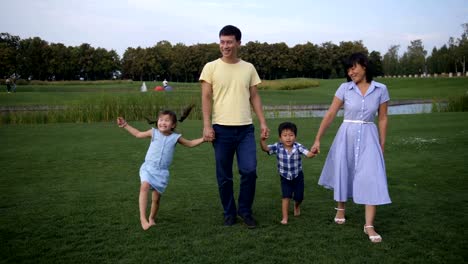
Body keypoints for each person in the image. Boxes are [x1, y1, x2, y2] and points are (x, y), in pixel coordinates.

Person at [311, 52, 391, 243]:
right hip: (346, 134)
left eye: (353, 67)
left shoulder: (381, 89)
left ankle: (369, 225)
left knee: (372, 177)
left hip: (369, 136)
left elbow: (382, 117)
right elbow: (331, 113)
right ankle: (340, 207)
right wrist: (317, 139)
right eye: (348, 68)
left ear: (364, 65)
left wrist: (382, 142)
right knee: (343, 169)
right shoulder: (344, 88)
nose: (351, 71)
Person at [200, 25, 269, 228]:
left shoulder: (248, 68)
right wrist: (206, 125)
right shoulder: (210, 67)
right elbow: (205, 97)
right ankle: (229, 213)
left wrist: (263, 121)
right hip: (221, 129)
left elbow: (254, 96)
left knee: (249, 171)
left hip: (246, 129)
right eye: (222, 41)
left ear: (238, 43)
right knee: (224, 175)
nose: (225, 46)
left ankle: (245, 211)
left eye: (229, 42)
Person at [116, 110, 205, 230]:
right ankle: (143, 218)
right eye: (161, 120)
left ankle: (151, 218)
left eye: (167, 120)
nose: (163, 122)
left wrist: (204, 139)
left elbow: (190, 143)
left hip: (161, 172)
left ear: (173, 125)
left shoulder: (175, 137)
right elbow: (138, 134)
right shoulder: (153, 132)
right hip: (148, 168)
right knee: (144, 186)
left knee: (156, 200)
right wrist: (125, 125)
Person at [260, 122, 316, 225]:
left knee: (299, 197)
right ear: (280, 138)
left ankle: (296, 206)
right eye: (285, 135)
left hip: (297, 175)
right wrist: (262, 140)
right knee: (286, 196)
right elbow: (265, 149)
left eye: (291, 135)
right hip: (284, 177)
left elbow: (308, 154)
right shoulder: (277, 147)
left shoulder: (298, 146)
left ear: (295, 136)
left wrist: (313, 152)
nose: (288, 138)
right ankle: (285, 218)